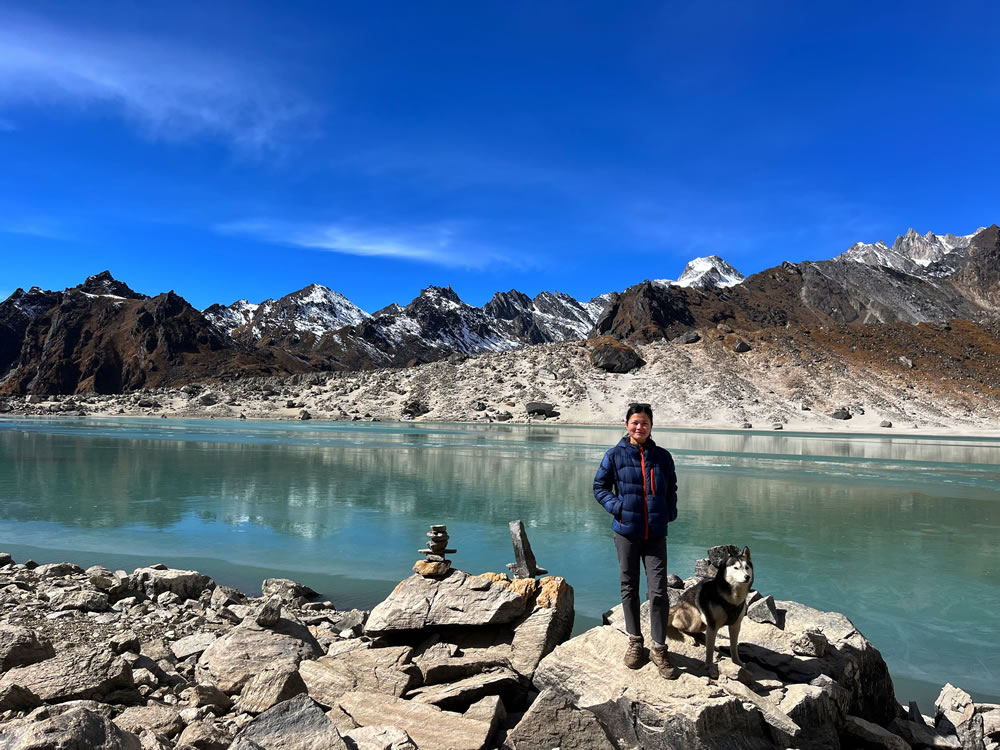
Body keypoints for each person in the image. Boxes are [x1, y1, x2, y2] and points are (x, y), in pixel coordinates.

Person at [593, 403, 678, 678]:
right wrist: (617, 508)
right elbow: (600, 487)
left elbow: (671, 488)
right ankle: (634, 641)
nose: (639, 427)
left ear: (651, 426)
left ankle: (659, 648)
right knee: (629, 586)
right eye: (634, 422)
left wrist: (669, 512)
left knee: (659, 591)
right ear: (627, 425)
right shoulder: (615, 455)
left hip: (655, 533)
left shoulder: (662, 457)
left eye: (644, 423)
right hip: (625, 532)